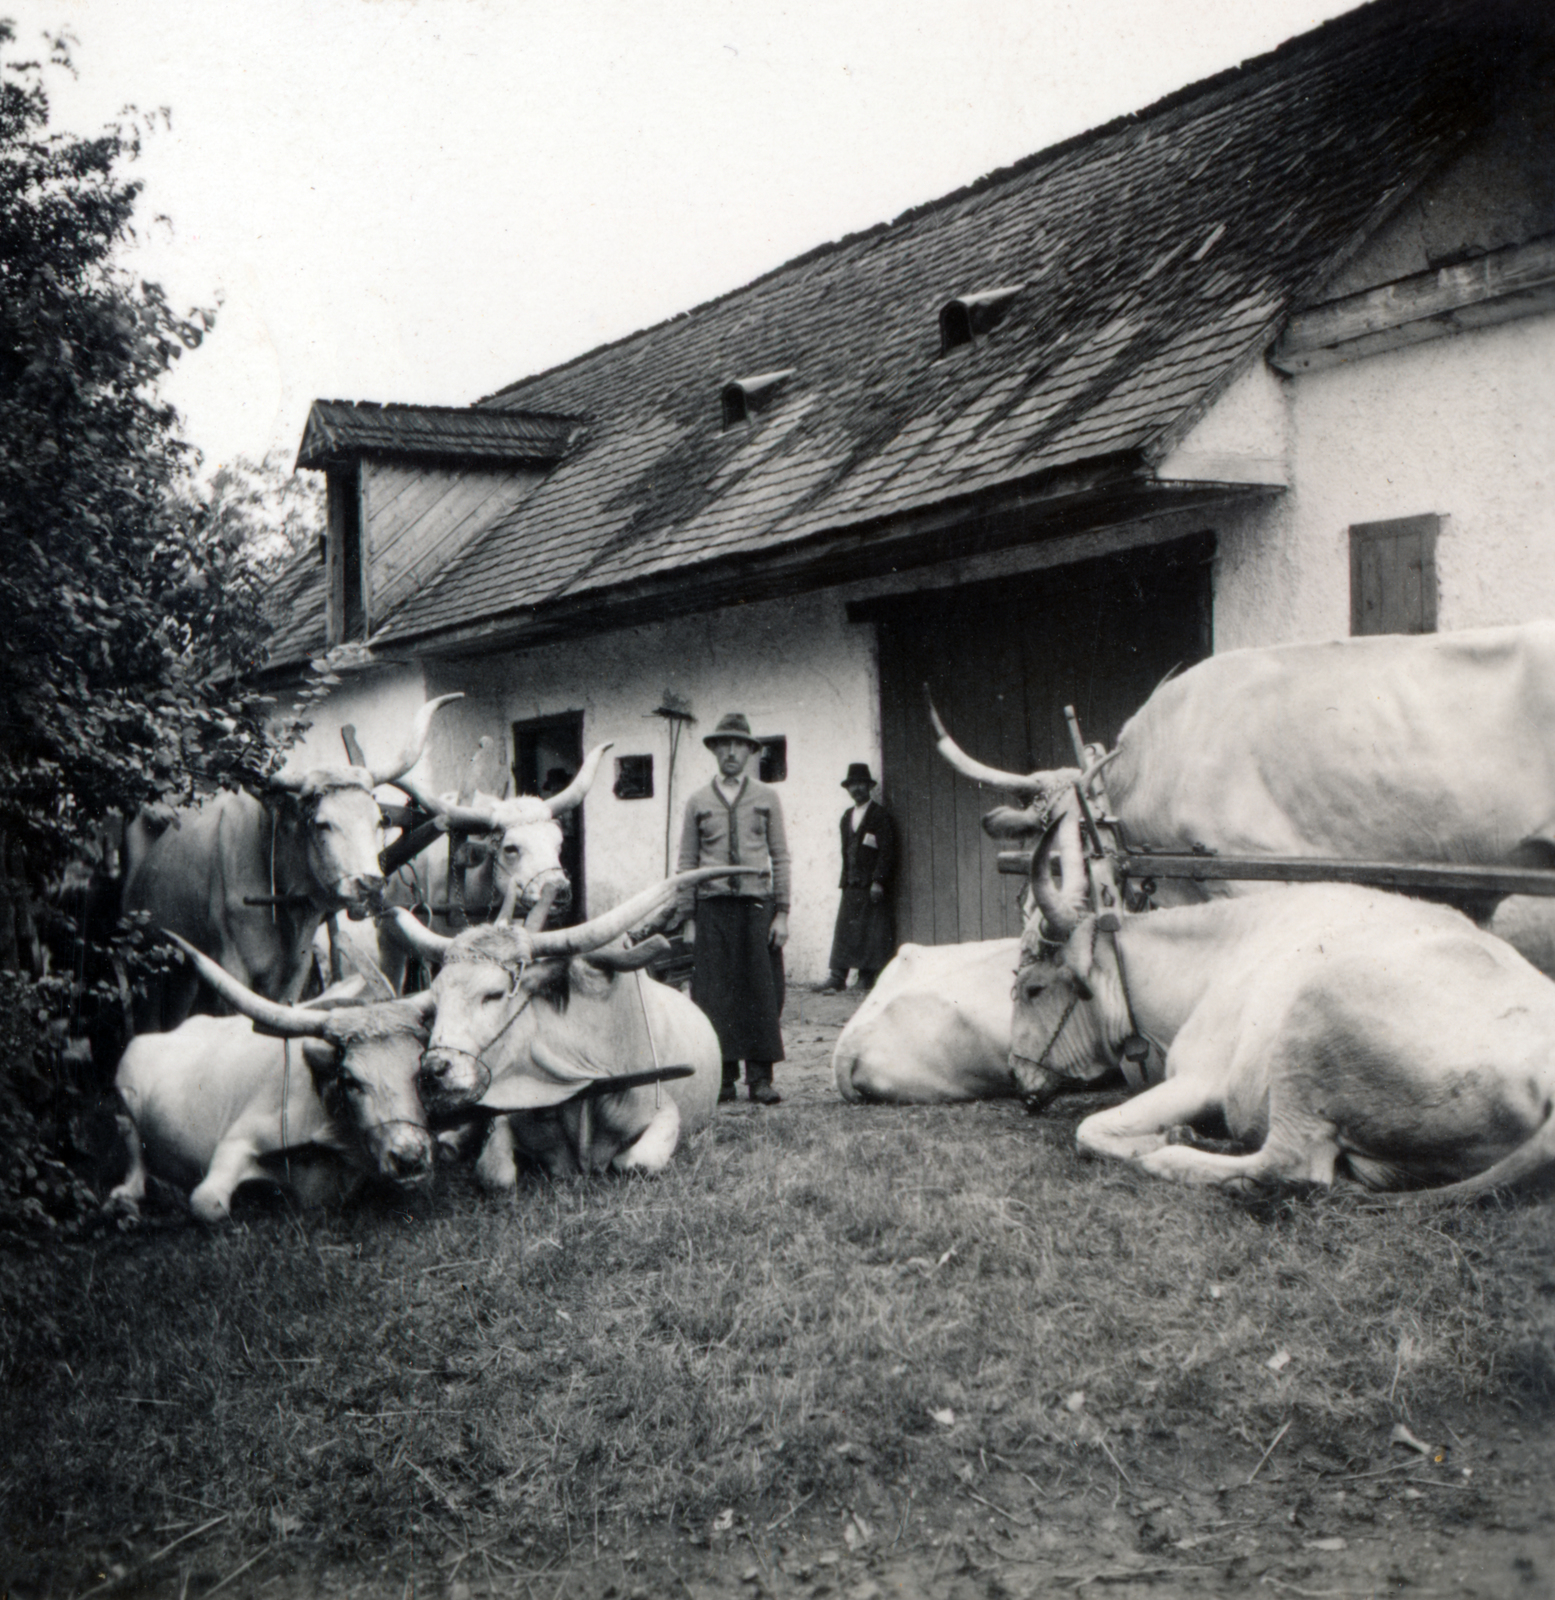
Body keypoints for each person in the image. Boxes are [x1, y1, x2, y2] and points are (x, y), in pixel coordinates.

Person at [676, 713, 790, 1105]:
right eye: (722, 744)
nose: (730, 751)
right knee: (713, 993)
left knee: (762, 990)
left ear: (750, 751)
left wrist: (783, 912)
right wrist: (688, 917)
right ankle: (722, 1078)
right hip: (712, 909)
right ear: (713, 750)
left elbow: (781, 857)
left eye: (738, 744)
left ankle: (760, 1079)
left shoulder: (766, 797)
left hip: (758, 907)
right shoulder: (697, 801)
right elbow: (687, 864)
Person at [821, 763, 896, 994]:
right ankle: (837, 978)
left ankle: (866, 978)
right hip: (851, 883)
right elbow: (846, 850)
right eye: (852, 785)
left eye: (861, 784)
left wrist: (878, 881)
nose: (857, 789)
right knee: (844, 930)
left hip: (870, 885)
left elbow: (887, 851)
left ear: (869, 787)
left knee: (870, 932)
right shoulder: (847, 817)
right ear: (848, 789)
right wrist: (845, 879)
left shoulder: (879, 815)